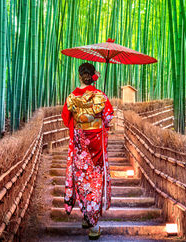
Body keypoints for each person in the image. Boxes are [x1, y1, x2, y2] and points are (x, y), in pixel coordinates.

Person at [61, 63, 114, 240]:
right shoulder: (100, 96)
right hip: (96, 141)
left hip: (79, 141)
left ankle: (86, 215)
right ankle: (94, 225)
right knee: (95, 179)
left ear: (79, 75)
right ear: (93, 76)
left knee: (81, 176)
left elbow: (65, 118)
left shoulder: (71, 97)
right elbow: (107, 118)